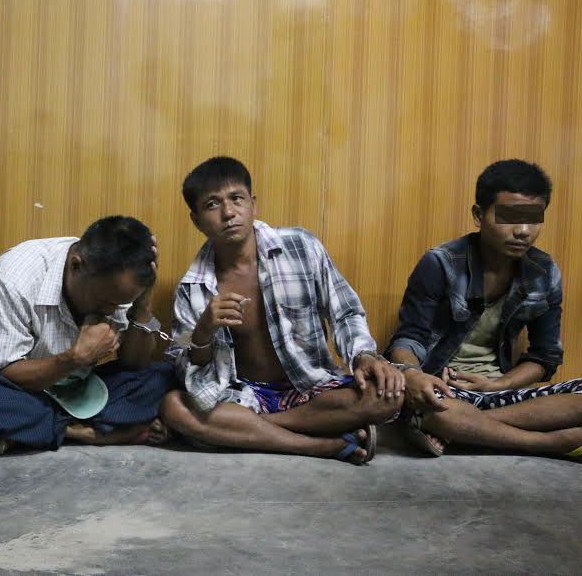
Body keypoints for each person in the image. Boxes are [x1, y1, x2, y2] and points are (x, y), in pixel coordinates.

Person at [160, 156, 403, 464]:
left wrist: (364, 355)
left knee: (386, 397)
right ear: (196, 219)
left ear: (253, 204)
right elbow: (184, 368)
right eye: (212, 205)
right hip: (243, 397)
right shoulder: (192, 288)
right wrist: (203, 331)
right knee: (173, 406)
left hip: (310, 388)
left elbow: (346, 311)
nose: (228, 213)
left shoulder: (302, 246)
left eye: (236, 199)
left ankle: (252, 433)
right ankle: (320, 445)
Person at [386, 159, 582, 465]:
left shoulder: (543, 272)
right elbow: (409, 338)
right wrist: (413, 376)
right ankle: (553, 442)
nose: (523, 231)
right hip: (443, 389)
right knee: (436, 408)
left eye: (533, 218)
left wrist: (498, 385)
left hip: (500, 393)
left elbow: (545, 356)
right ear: (479, 215)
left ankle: (463, 427)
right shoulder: (442, 263)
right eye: (510, 217)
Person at [0, 216, 174, 464]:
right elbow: (1, 371)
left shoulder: (122, 283)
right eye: (107, 301)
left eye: (120, 303)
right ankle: (79, 432)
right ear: (76, 265)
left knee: (165, 375)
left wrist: (142, 305)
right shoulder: (14, 278)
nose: (111, 311)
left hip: (84, 393)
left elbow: (134, 365)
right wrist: (74, 359)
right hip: (24, 391)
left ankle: (26, 430)